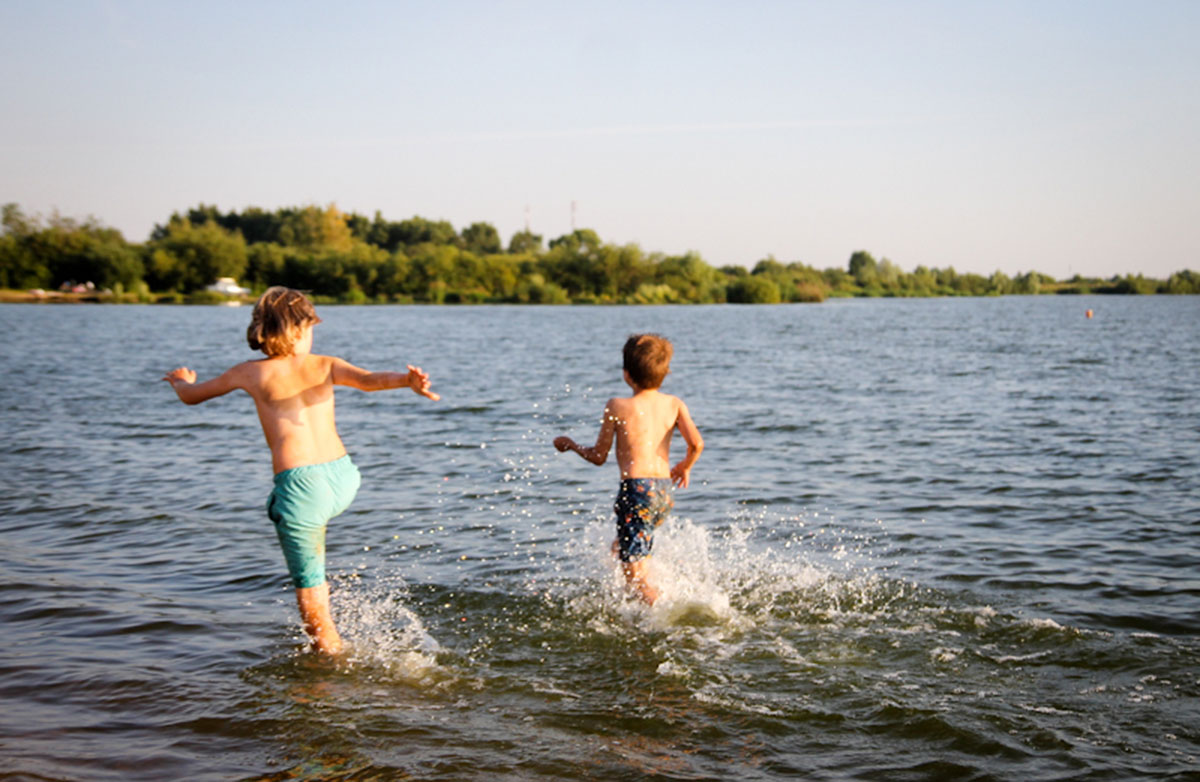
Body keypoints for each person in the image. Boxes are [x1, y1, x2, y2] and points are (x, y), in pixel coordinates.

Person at [163, 286, 439, 654]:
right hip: (343, 477)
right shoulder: (325, 364)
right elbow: (370, 380)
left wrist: (182, 380)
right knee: (304, 531)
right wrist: (408, 382)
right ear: (301, 330)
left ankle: (330, 665)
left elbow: (192, 396)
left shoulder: (249, 373)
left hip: (301, 490)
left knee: (310, 589)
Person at [554, 334, 703, 604]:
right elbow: (697, 444)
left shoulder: (617, 406)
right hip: (662, 494)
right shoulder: (674, 404)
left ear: (626, 375)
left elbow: (599, 456)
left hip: (635, 491)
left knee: (635, 577)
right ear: (665, 372)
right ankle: (633, 610)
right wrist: (684, 467)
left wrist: (572, 445)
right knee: (622, 550)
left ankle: (662, 614)